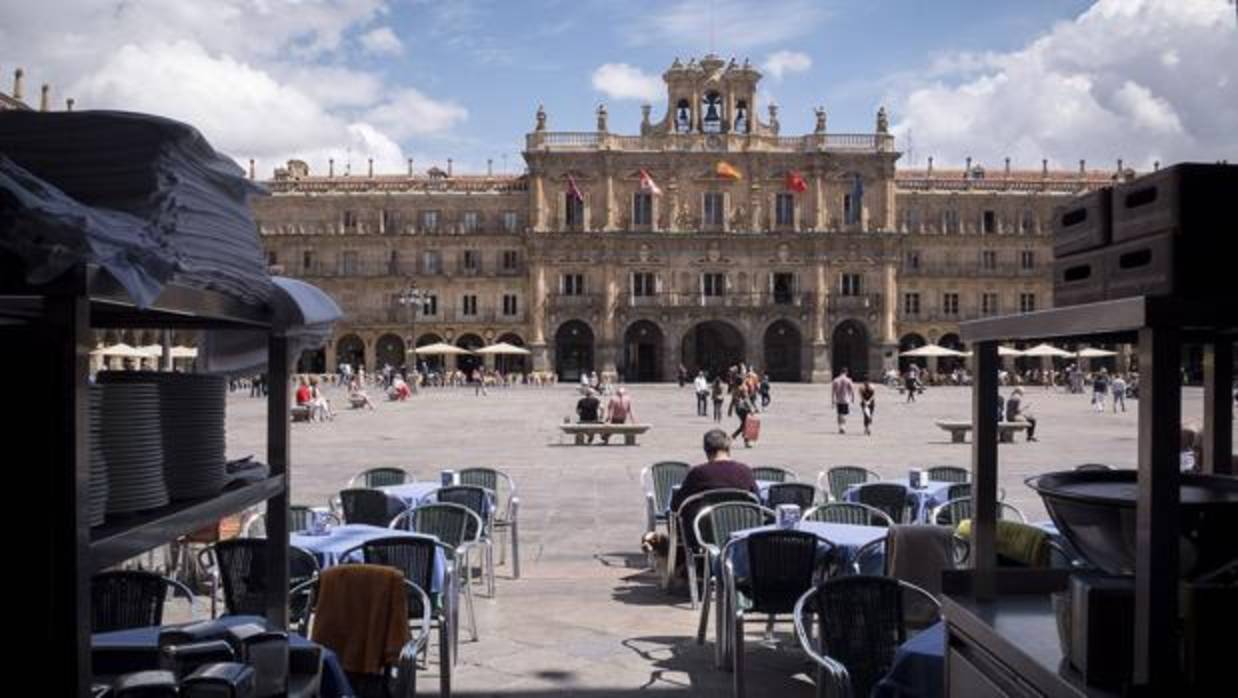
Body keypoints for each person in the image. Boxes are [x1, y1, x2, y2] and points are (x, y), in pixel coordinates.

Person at [667, 429, 760, 557]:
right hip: (741, 533)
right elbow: (758, 503)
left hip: (706, 536)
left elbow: (676, 506)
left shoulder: (697, 473)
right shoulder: (745, 471)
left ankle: (682, 560)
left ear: (706, 450)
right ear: (728, 447)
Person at [832, 367, 856, 434]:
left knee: (839, 414)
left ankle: (840, 427)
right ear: (846, 372)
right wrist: (853, 398)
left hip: (838, 399)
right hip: (846, 399)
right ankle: (843, 427)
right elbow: (852, 390)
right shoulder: (848, 380)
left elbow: (833, 392)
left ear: (840, 372)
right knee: (844, 414)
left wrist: (833, 400)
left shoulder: (836, 380)